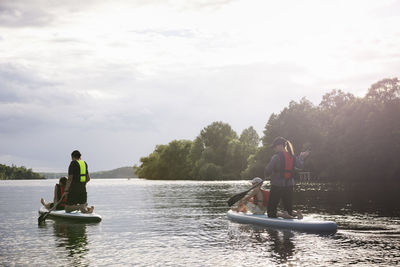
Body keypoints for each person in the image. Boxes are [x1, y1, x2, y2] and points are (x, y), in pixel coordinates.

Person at [264, 137, 309, 219]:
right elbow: (300, 166)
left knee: (270, 212)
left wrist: (267, 175)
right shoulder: (292, 156)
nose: (274, 149)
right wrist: (302, 157)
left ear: (280, 146)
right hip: (289, 185)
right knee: (288, 209)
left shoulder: (276, 157)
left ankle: (283, 215)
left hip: (277, 185)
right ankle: (296, 214)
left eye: (275, 147)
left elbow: (267, 169)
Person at [233, 177, 301, 219]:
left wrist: (241, 199)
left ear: (257, 183)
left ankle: (238, 210)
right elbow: (258, 200)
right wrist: (250, 200)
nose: (252, 185)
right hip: (264, 210)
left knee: (243, 199)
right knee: (275, 212)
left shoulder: (255, 190)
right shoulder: (263, 191)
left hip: (259, 211)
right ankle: (294, 213)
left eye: (253, 183)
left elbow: (247, 198)